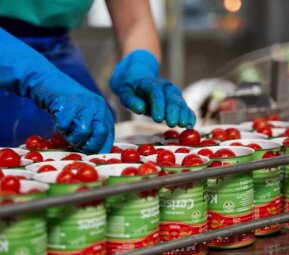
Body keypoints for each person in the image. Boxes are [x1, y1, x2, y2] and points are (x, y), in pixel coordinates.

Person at [0, 0, 196, 153]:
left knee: (93, 134)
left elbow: (135, 22)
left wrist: (140, 66)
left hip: (58, 50)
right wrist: (35, 74)